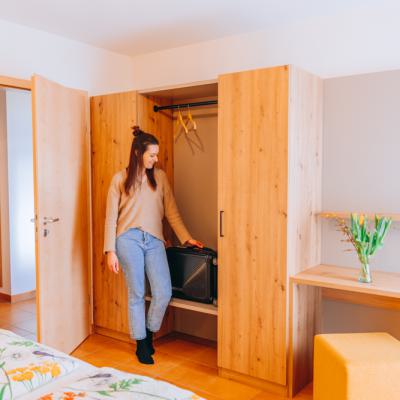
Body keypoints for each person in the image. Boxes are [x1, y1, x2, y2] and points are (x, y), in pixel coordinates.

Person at [104, 125, 203, 365]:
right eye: (152, 154)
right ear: (138, 153)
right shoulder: (120, 179)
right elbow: (110, 218)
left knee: (163, 292)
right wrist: (110, 251)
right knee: (137, 293)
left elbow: (172, 211)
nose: (156, 158)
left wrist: (186, 237)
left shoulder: (159, 177)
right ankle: (141, 344)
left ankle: (148, 332)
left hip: (155, 240)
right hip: (127, 240)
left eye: (156, 154)